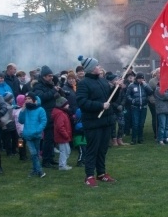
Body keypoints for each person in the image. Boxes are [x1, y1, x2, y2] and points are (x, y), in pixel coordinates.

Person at [77, 56, 118, 187]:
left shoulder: (103, 81)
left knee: (102, 149)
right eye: (97, 66)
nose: (99, 67)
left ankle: (101, 173)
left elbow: (110, 99)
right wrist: (100, 106)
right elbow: (82, 102)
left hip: (106, 121)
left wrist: (117, 88)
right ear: (90, 69)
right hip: (93, 123)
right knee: (92, 149)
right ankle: (89, 176)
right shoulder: (83, 83)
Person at [33, 66, 60, 168]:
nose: (51, 78)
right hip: (45, 114)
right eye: (49, 76)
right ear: (44, 76)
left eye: (52, 76)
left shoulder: (49, 85)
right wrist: (53, 91)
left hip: (51, 112)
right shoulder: (38, 86)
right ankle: (46, 160)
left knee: (52, 138)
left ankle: (51, 158)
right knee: (48, 139)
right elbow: (41, 98)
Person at [19, 92, 47, 179]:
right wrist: (22, 111)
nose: (27, 100)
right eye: (26, 99)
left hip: (36, 135)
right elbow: (21, 121)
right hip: (28, 135)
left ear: (34, 100)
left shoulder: (40, 110)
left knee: (36, 153)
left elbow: (43, 121)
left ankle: (34, 170)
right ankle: (40, 171)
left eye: (29, 98)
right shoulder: (25, 110)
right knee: (33, 153)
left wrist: (37, 130)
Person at [127, 72, 151, 144]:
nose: (141, 80)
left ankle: (140, 138)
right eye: (139, 78)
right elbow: (127, 95)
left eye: (142, 78)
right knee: (135, 124)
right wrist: (132, 100)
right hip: (135, 107)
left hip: (143, 107)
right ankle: (134, 139)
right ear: (136, 78)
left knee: (141, 124)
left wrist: (146, 85)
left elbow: (150, 92)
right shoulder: (131, 86)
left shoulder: (145, 86)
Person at [52, 97, 73, 170]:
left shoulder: (62, 112)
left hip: (63, 136)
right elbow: (60, 127)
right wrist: (66, 135)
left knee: (67, 150)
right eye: (67, 104)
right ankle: (62, 165)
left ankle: (63, 164)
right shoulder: (60, 114)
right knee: (64, 151)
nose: (68, 105)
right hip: (62, 136)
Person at [154, 81, 168, 145]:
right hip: (161, 110)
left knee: (167, 126)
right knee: (162, 126)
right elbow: (164, 96)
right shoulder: (158, 89)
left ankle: (166, 138)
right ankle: (160, 139)